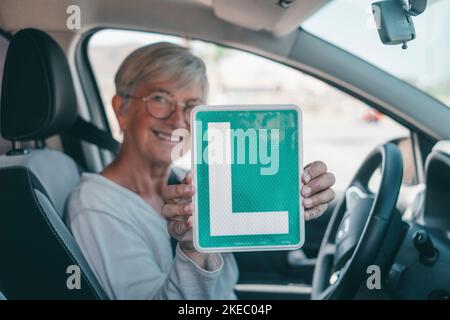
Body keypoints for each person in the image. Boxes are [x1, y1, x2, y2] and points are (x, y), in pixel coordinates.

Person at [65, 42, 336, 300]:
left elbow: (260, 219)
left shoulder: (192, 182)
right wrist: (193, 251)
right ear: (121, 109)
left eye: (191, 106)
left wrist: (294, 193)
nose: (177, 120)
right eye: (159, 98)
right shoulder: (95, 206)